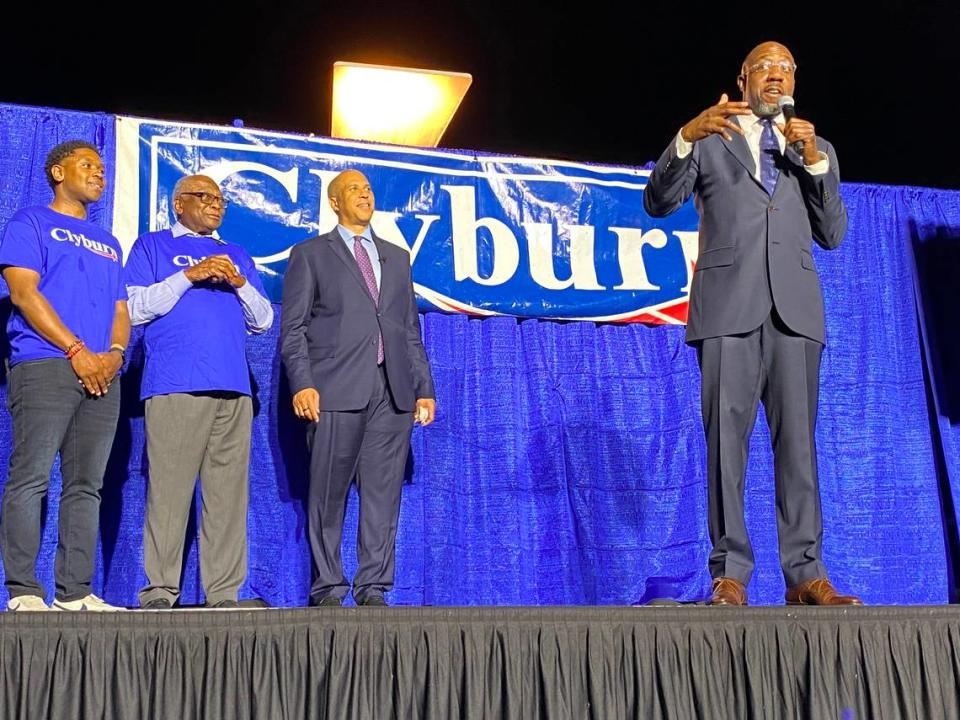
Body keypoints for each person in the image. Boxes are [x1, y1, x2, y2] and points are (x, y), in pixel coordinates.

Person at [643, 41, 861, 606]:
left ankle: (805, 574)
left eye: (787, 68)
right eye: (766, 66)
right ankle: (731, 572)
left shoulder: (815, 148)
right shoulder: (711, 139)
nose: (777, 74)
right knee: (727, 447)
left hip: (795, 315)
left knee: (799, 449)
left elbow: (833, 233)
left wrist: (813, 164)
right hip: (727, 311)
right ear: (743, 77)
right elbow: (658, 202)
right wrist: (686, 136)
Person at [280, 169, 435, 607]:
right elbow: (293, 330)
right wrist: (303, 384)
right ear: (334, 202)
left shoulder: (396, 257)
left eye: (368, 189)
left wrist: (424, 387)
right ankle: (328, 585)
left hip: (393, 392)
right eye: (354, 189)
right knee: (327, 493)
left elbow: (408, 329)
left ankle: (374, 587)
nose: (365, 194)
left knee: (383, 496)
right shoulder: (311, 254)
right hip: (334, 390)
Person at [125, 174, 273, 609]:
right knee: (169, 492)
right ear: (179, 204)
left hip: (233, 387)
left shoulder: (237, 255)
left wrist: (240, 283)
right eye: (205, 197)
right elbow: (134, 307)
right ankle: (160, 592)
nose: (216, 205)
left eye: (220, 200)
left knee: (228, 496)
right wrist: (189, 275)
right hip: (175, 383)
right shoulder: (152, 246)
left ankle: (223, 595)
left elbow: (263, 321)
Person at [0, 140, 129, 611]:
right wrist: (75, 349)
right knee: (31, 476)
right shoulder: (31, 222)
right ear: (58, 172)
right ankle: (23, 590)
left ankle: (76, 592)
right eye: (87, 165)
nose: (99, 174)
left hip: (102, 371)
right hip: (46, 363)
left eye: (102, 168)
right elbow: (23, 293)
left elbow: (121, 307)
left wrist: (114, 353)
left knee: (86, 484)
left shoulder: (110, 243)